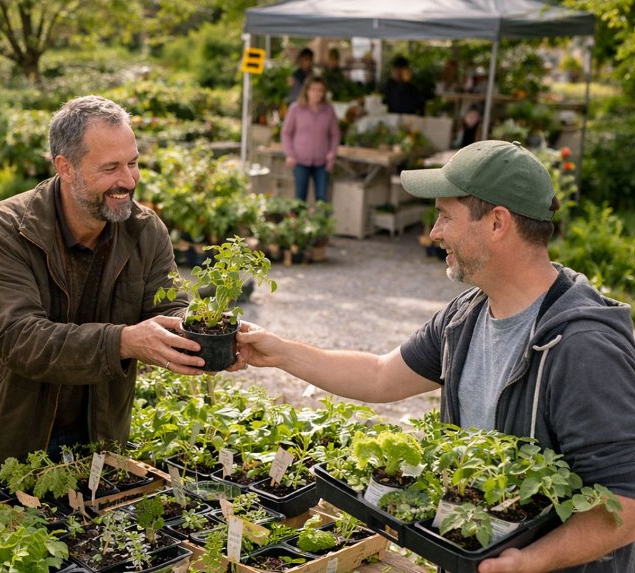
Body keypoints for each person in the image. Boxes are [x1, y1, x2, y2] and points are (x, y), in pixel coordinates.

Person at [234, 140, 635, 573]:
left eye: (445, 216)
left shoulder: (582, 347)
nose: (434, 232)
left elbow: (626, 501)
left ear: (498, 222)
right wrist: (279, 353)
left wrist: (531, 561)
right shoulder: (467, 314)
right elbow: (381, 375)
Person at [0, 95, 204, 473]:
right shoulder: (4, 231)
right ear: (65, 168)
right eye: (111, 168)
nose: (128, 180)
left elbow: (168, 308)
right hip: (4, 438)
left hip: (95, 438)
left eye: (133, 163)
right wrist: (125, 341)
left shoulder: (144, 231)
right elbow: (21, 340)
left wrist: (205, 331)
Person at [281, 76, 340, 204]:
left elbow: (335, 134)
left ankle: (320, 224)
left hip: (322, 163)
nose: (316, 93)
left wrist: (332, 153)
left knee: (322, 199)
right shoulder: (295, 109)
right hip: (300, 161)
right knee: (300, 199)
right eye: (313, 89)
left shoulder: (328, 110)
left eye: (320, 90)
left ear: (324, 93)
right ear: (306, 91)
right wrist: (290, 154)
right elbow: (286, 133)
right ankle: (298, 224)